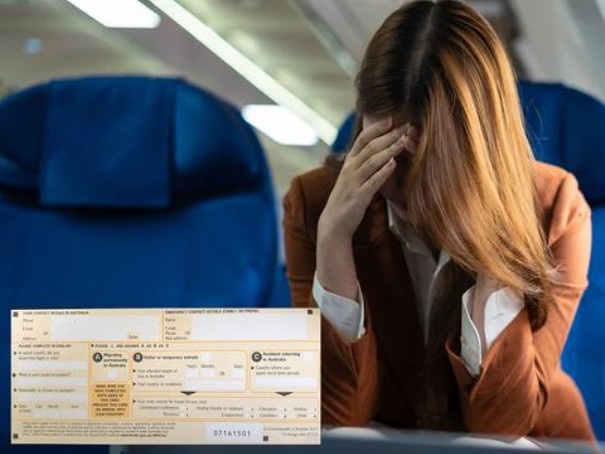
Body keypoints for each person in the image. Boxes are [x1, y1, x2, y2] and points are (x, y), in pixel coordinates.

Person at [282, 0, 594, 441]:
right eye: (390, 156)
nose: (411, 195)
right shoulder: (314, 206)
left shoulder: (555, 207)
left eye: (432, 166)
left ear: (483, 147)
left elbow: (502, 423)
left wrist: (489, 243)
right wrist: (334, 240)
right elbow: (338, 413)